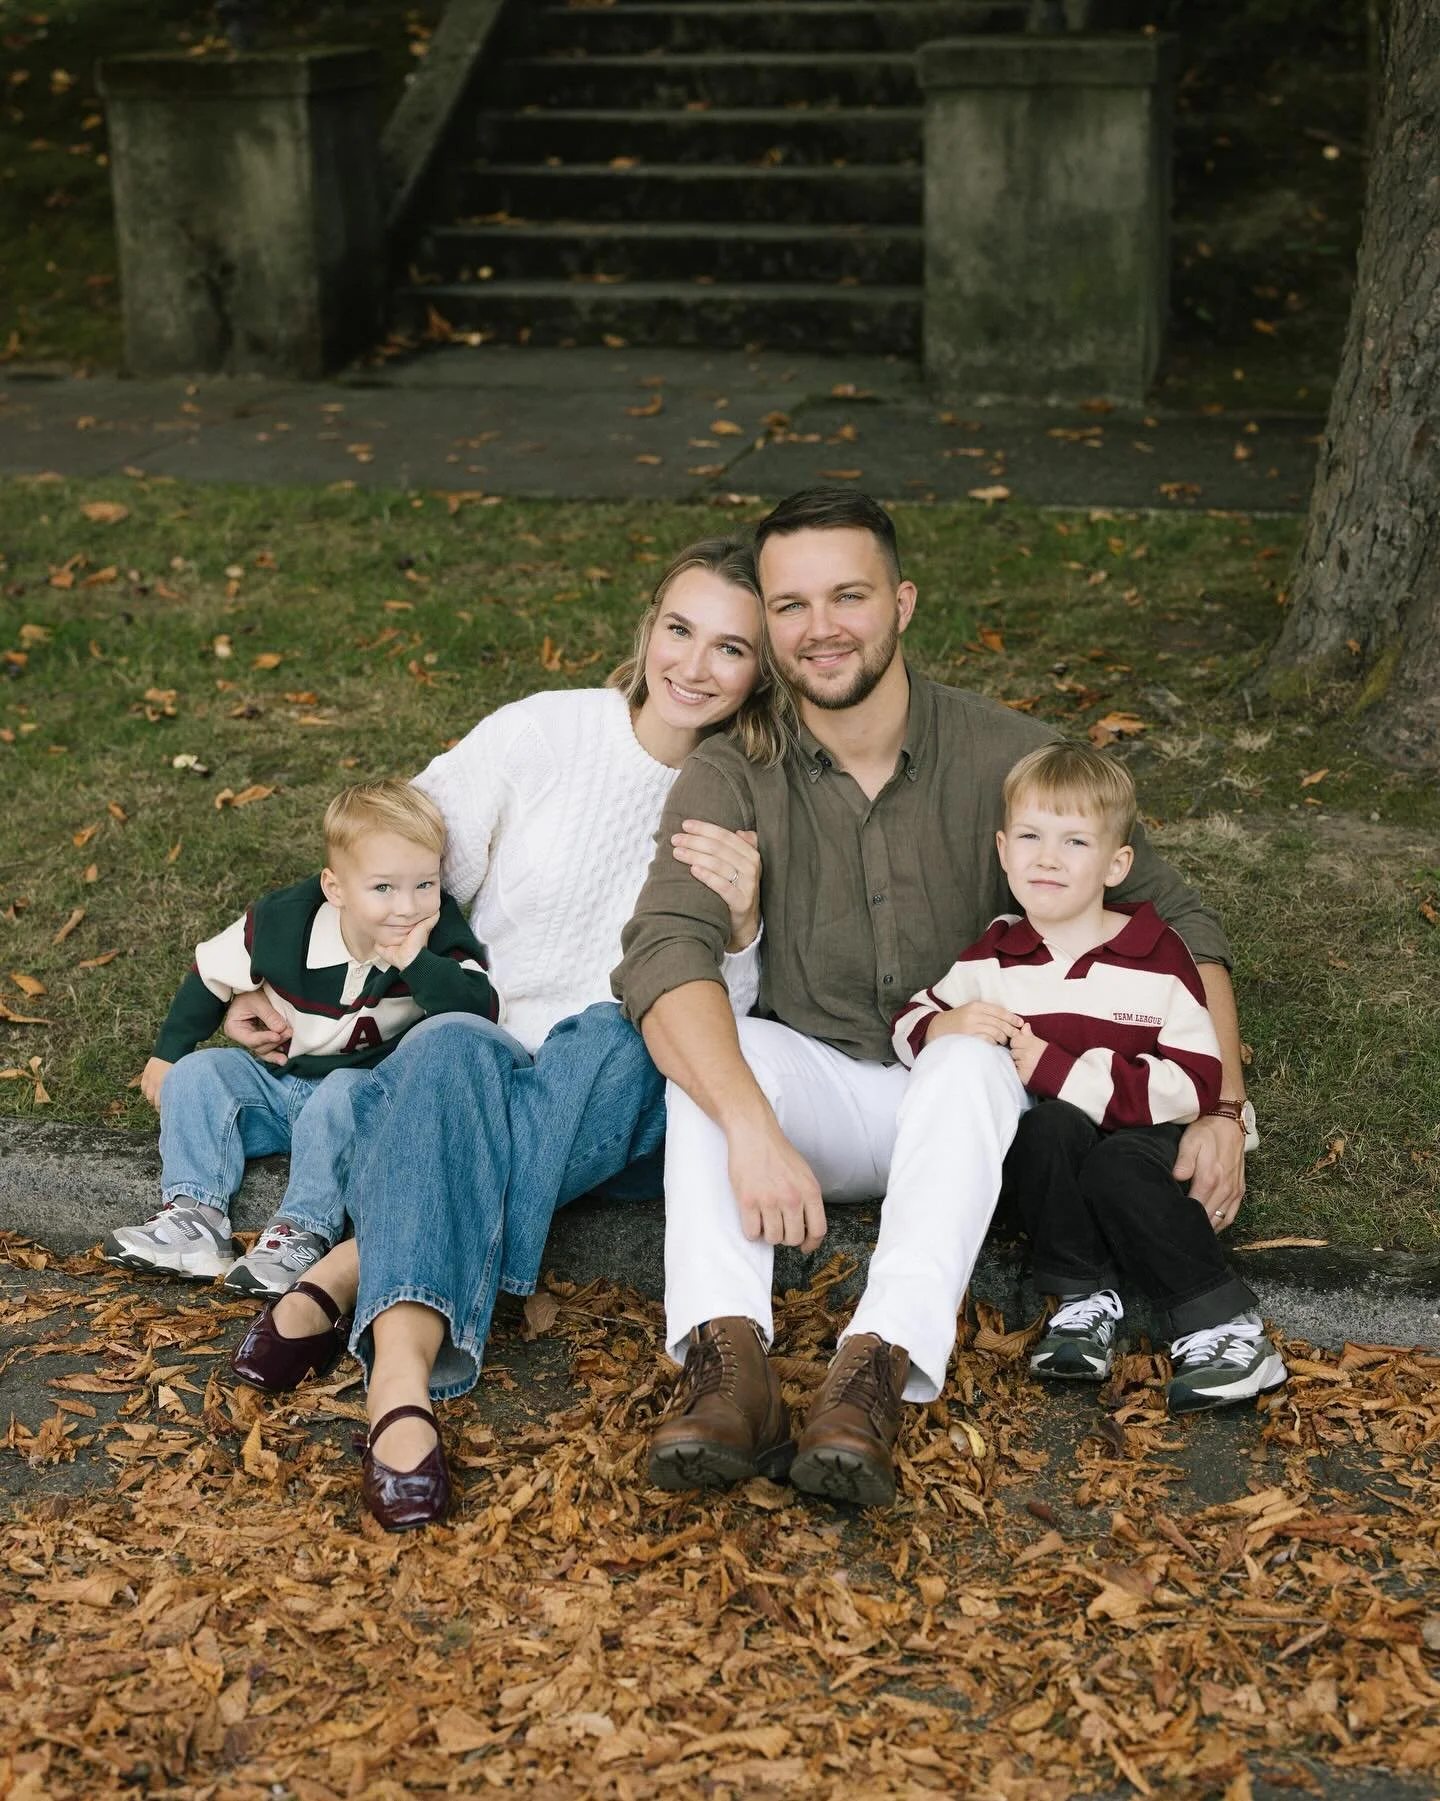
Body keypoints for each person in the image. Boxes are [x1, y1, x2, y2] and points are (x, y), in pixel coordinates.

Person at [614, 487, 1253, 1508]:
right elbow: (663, 953)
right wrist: (751, 1124)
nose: (820, 630)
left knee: (969, 1045)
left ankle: (872, 1376)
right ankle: (728, 1370)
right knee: (711, 1048)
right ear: (771, 624)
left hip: (965, 1104)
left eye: (848, 596)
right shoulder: (733, 771)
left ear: (902, 602)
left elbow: (1183, 920)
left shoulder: (1009, 759)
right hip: (817, 1083)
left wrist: (1219, 1106)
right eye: (790, 607)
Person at [224, 536, 792, 1530]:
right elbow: (405, 860)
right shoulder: (546, 733)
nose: (694, 667)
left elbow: (730, 1010)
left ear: (763, 671)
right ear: (648, 627)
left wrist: (744, 926)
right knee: (448, 1048)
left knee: (620, 1034)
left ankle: (353, 1265)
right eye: (679, 630)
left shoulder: (755, 797)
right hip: (482, 1043)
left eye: (730, 648)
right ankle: (398, 1387)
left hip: (616, 1081)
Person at [891, 741, 1283, 1415]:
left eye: (1075, 841)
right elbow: (910, 1021)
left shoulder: (1156, 955)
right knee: (1043, 1132)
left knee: (1118, 1166)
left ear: (1116, 863)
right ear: (1003, 850)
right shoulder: (998, 954)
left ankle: (1225, 1329)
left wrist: (1062, 1070)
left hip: (1154, 1135)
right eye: (1031, 837)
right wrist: (948, 1027)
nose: (1047, 857)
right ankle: (1083, 1302)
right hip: (1069, 1148)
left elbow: (1195, 1078)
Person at [102, 780, 498, 1287]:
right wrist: (168, 1053)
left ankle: (301, 1235)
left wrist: (416, 962)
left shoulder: (436, 935)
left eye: (424, 885)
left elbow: (480, 1009)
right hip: (280, 1085)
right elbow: (212, 972)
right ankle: (195, 1217)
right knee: (199, 1073)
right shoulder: (286, 920)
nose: (407, 906)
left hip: (362, 1103)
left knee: (341, 1091)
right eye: (383, 888)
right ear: (336, 889)